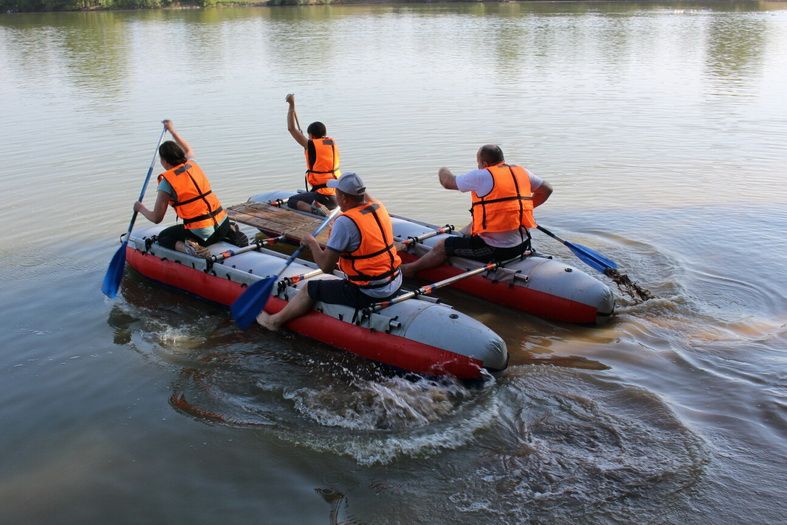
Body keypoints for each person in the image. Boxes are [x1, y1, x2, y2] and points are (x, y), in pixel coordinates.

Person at [257, 172, 402, 331]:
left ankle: (274, 322)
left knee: (309, 288)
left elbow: (326, 266)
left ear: (344, 198)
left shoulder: (345, 222)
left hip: (369, 292)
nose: (335, 196)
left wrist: (311, 243)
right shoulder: (379, 207)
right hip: (395, 281)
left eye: (337, 193)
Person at [401, 144, 553, 278]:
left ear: (484, 163)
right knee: (473, 225)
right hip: (523, 243)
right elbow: (547, 189)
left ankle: (411, 269)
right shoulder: (522, 172)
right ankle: (465, 236)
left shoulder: (482, 175)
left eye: (478, 162)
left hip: (496, 250)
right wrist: (522, 209)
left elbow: (447, 182)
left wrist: (442, 169)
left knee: (442, 245)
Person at [134, 120, 231, 258]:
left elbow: (156, 218)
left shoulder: (166, 183)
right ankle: (232, 232)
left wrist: (140, 208)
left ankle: (191, 249)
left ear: (164, 162)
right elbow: (188, 150)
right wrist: (172, 130)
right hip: (223, 225)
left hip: (203, 234)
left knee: (164, 237)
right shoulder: (192, 164)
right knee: (209, 223)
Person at [284, 93, 342, 216]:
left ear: (311, 136)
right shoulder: (330, 143)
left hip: (325, 197)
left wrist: (291, 104)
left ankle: (316, 210)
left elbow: (291, 128)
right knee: (311, 194)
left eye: (309, 135)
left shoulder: (310, 145)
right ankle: (317, 205)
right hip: (338, 194)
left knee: (292, 201)